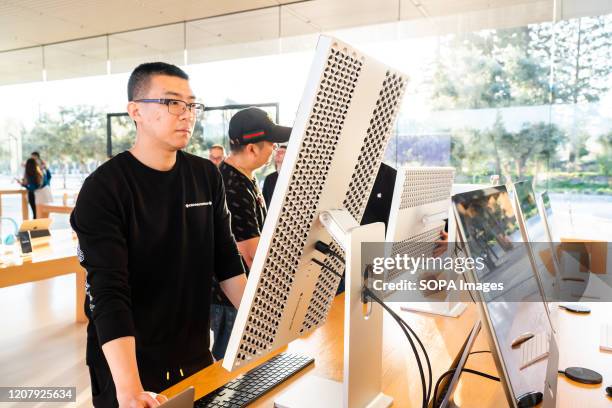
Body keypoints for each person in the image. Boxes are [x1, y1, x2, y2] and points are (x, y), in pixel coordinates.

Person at [70, 62, 248, 408]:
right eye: (171, 103)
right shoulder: (104, 189)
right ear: (135, 111)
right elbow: (107, 294)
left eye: (191, 104)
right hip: (130, 362)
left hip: (195, 350)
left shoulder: (205, 176)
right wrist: (130, 390)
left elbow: (226, 261)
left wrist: (266, 327)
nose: (186, 114)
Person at [210, 107, 290, 360]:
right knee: (232, 371)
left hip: (242, 295)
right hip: (231, 299)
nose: (275, 150)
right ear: (252, 148)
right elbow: (250, 253)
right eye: (272, 144)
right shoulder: (231, 185)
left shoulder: (246, 178)